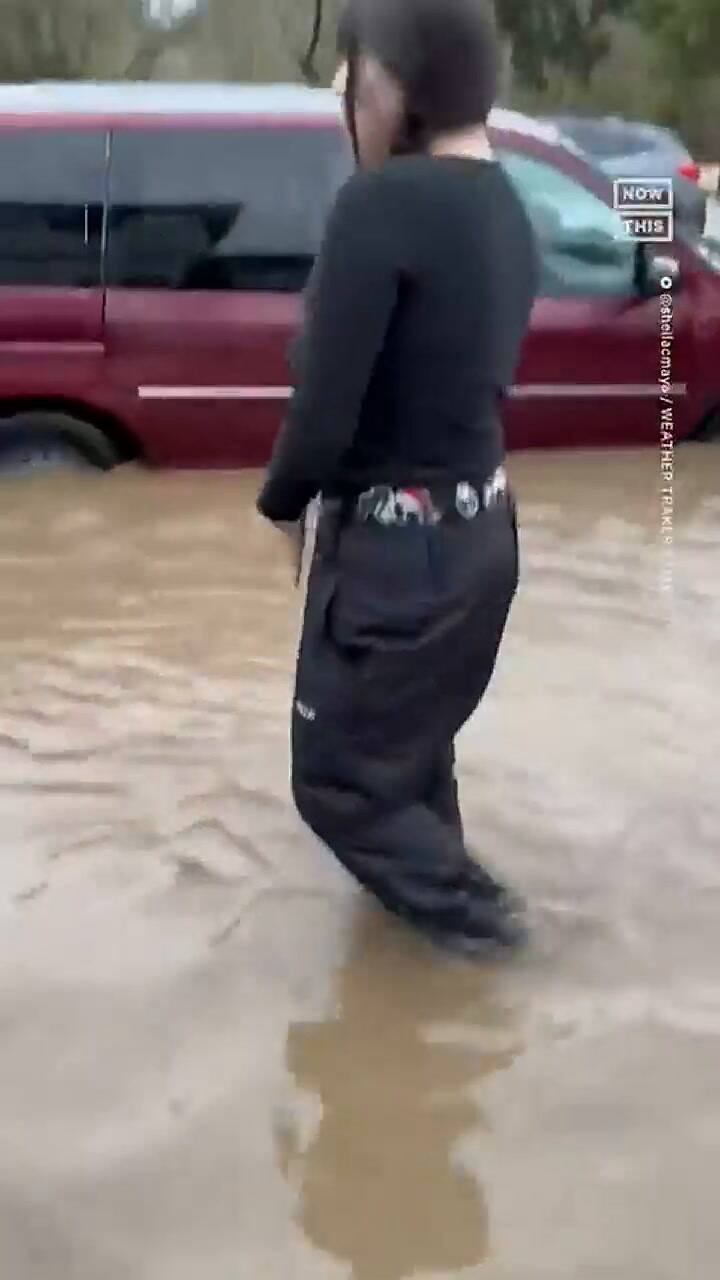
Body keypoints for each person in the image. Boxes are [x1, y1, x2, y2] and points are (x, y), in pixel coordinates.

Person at [257, 0, 539, 955]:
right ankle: (428, 997)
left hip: (395, 556)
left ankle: (506, 950)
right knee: (413, 769)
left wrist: (281, 501)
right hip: (480, 541)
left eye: (359, 77)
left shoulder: (382, 205)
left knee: (336, 781)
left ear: (400, 89)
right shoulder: (510, 205)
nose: (348, 96)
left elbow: (324, 409)